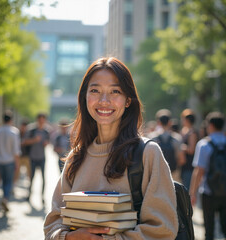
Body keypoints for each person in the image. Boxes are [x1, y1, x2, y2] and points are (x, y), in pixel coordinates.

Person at [44, 57, 178, 239]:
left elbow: (162, 229)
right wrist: (68, 237)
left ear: (128, 100)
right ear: (85, 97)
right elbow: (53, 223)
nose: (104, 100)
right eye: (95, 91)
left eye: (115, 91)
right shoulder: (76, 157)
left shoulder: (148, 154)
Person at [189, 112, 226, 240]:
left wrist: (192, 193)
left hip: (208, 192)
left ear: (210, 125)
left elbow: (199, 171)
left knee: (209, 230)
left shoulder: (204, 145)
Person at [0, 110, 21, 212]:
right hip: (9, 161)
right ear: (11, 119)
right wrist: (17, 163)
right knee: (8, 181)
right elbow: (16, 151)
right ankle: (5, 198)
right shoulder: (14, 132)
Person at [149, 109, 185, 181]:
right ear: (170, 122)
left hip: (156, 174)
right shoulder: (177, 138)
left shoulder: (152, 137)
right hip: (173, 173)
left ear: (158, 122)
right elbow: (182, 160)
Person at [23, 113, 50, 204]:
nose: (41, 122)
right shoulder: (31, 130)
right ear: (37, 120)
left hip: (42, 157)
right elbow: (25, 142)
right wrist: (34, 140)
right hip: (32, 157)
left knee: (43, 178)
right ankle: (29, 194)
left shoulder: (46, 131)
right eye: (40, 120)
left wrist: (46, 143)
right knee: (31, 177)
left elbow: (48, 142)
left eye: (43, 120)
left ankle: (42, 197)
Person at [180, 109, 198, 190]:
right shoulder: (185, 131)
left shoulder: (192, 133)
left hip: (189, 167)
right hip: (184, 166)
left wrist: (182, 147)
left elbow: (191, 149)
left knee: (187, 191)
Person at [14, 120, 31, 189]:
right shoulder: (17, 133)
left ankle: (29, 187)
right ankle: (14, 186)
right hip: (19, 156)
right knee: (16, 172)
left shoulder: (29, 134)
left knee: (29, 173)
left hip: (27, 156)